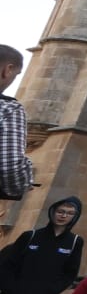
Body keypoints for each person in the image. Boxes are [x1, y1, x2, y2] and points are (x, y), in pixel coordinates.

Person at [0, 45, 31, 204]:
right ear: (8, 69)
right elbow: (10, 165)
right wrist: (21, 183)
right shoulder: (8, 108)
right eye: (16, 75)